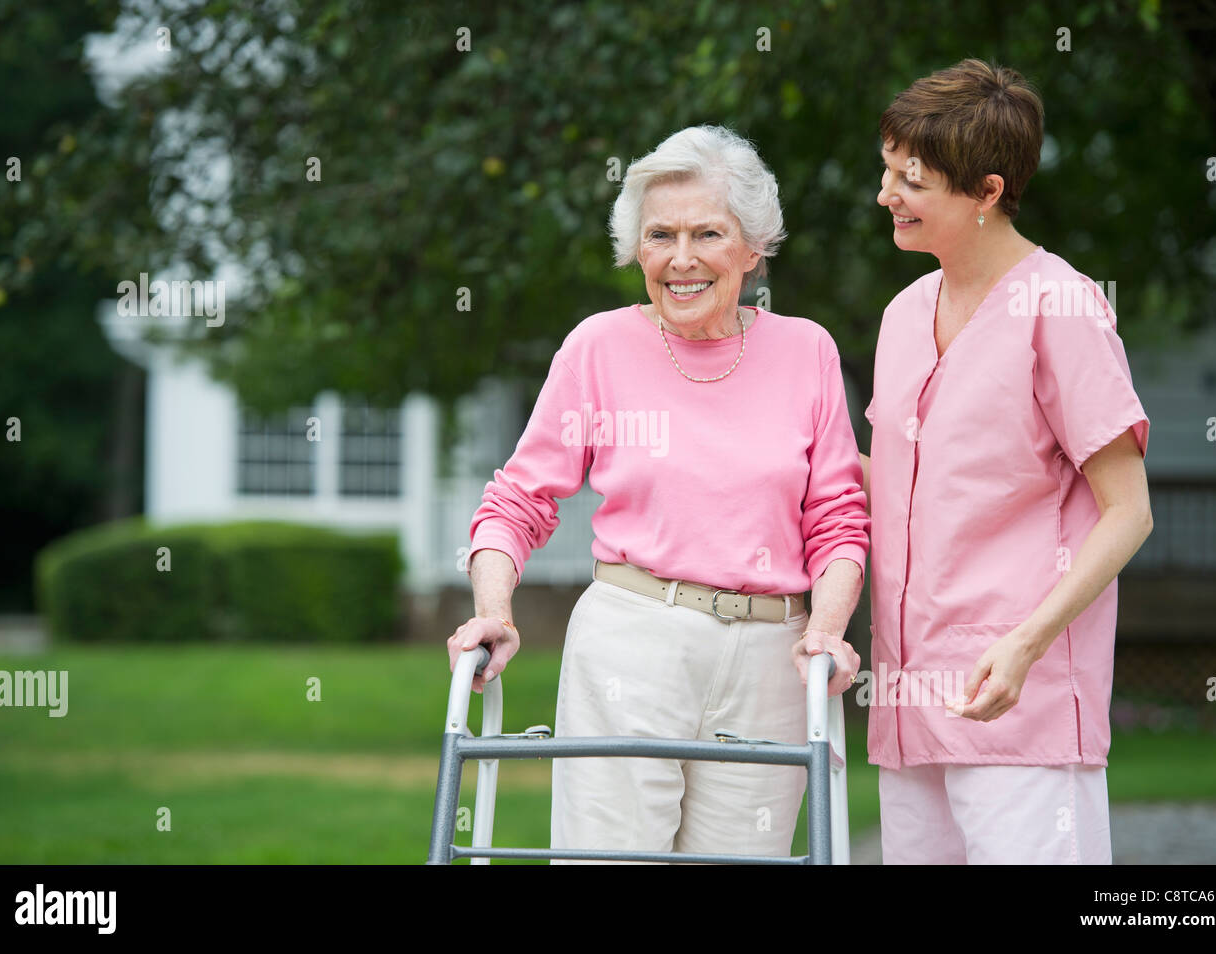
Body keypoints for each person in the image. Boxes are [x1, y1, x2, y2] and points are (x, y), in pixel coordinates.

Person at [448, 125, 869, 862]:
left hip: (773, 655)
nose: (681, 258)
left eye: (708, 232)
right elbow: (516, 502)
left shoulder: (806, 351)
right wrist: (493, 611)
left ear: (753, 246)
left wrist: (826, 631)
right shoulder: (598, 348)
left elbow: (837, 519)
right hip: (632, 640)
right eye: (660, 235)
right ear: (635, 248)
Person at [862, 58, 1153, 864]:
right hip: (908, 706)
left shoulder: (1061, 306)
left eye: (911, 180)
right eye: (887, 171)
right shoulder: (903, 314)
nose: (886, 194)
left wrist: (1026, 644)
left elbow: (1130, 512)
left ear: (987, 192)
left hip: (1017, 705)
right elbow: (900, 490)